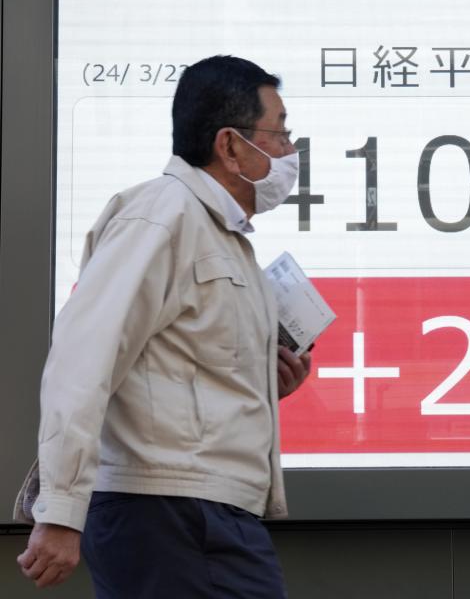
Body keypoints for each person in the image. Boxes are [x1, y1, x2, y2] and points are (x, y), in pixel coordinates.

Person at [13, 55, 311, 598]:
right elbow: (83, 360)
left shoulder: (220, 233)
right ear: (230, 145)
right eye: (280, 133)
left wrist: (266, 385)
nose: (291, 152)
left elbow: (184, 373)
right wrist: (59, 509)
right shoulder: (160, 217)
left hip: (203, 512)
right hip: (168, 513)